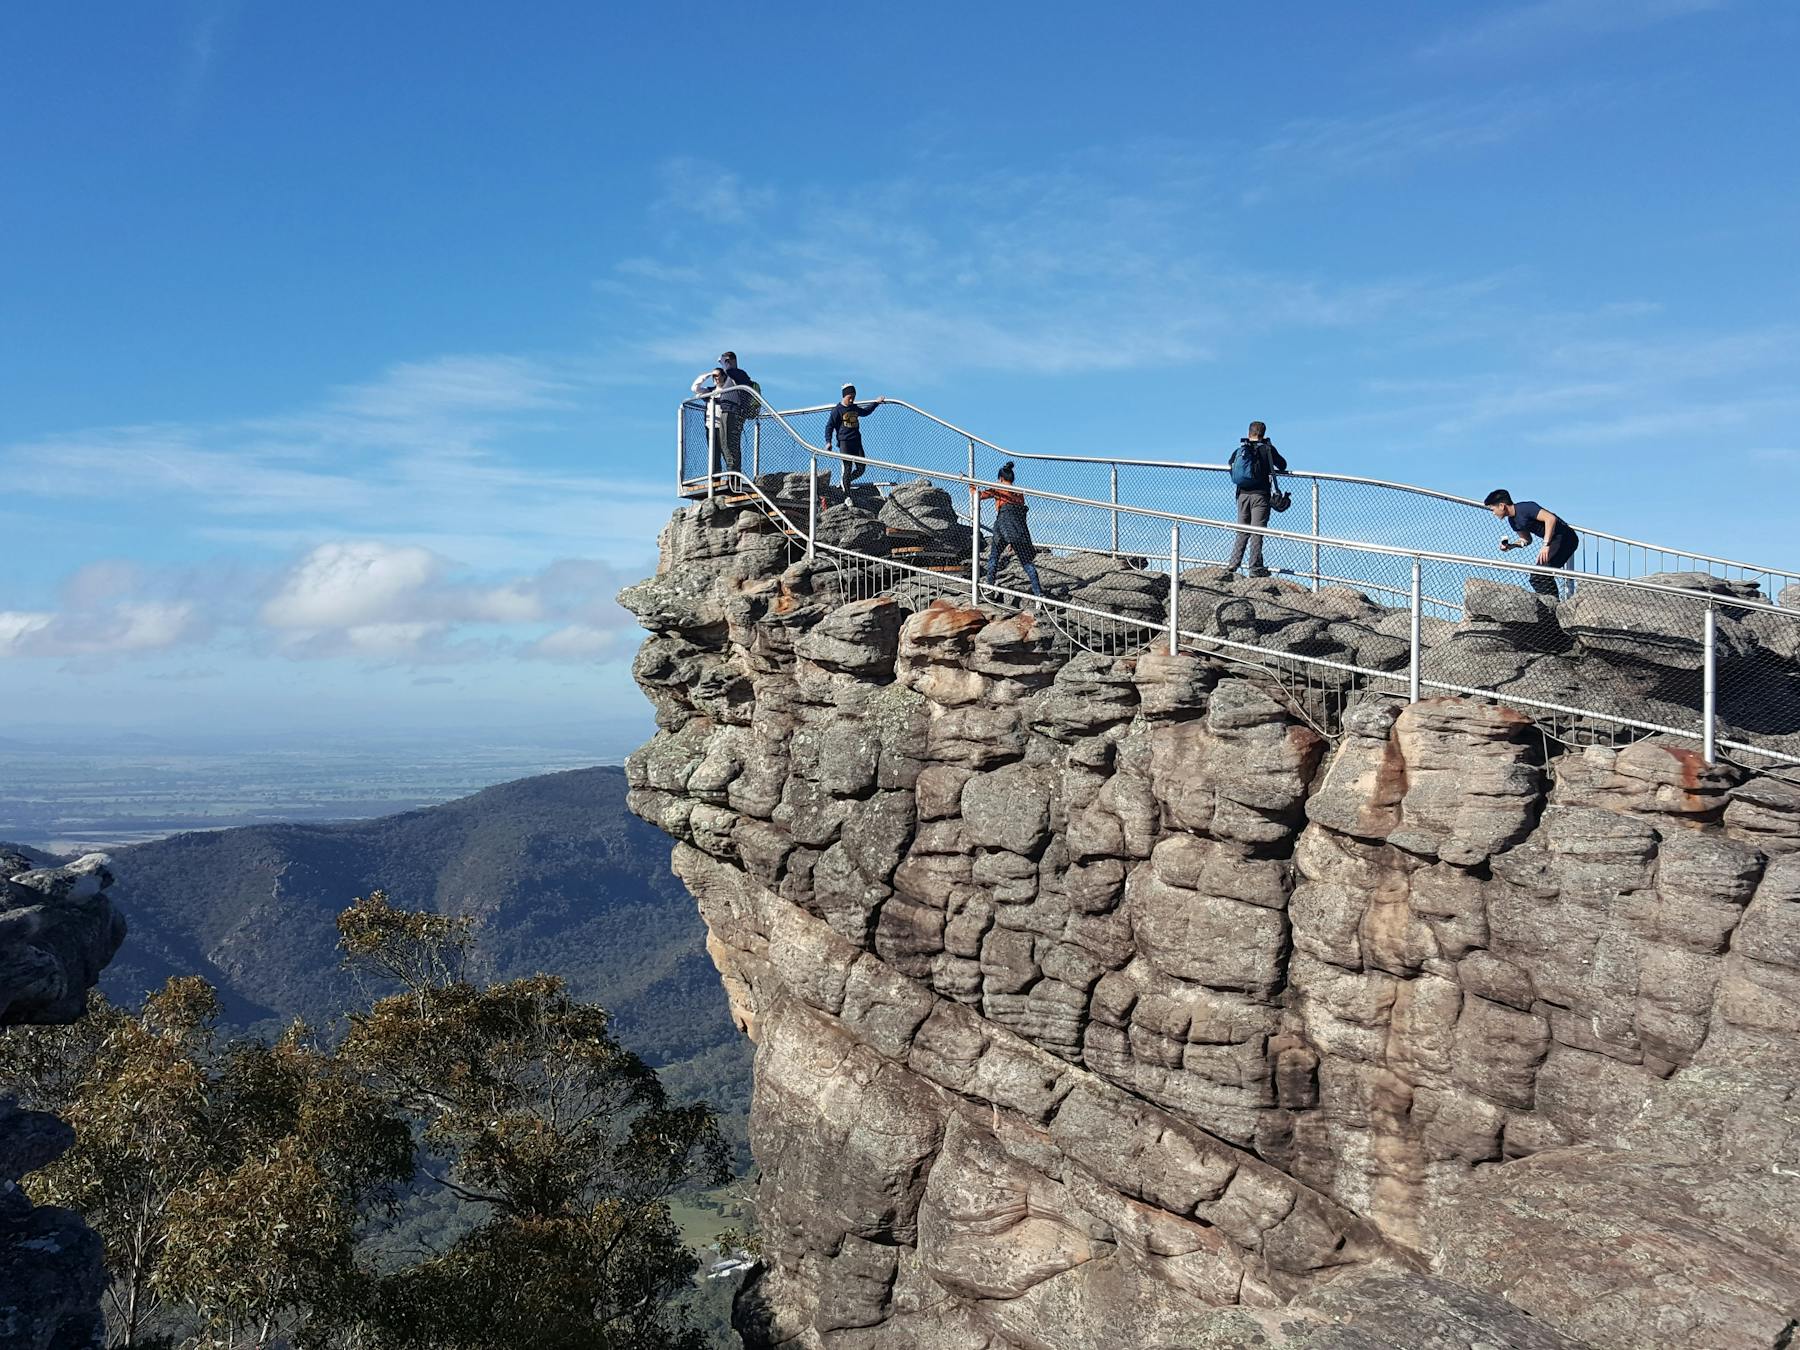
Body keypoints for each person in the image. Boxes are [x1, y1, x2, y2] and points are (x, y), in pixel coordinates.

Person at [1222, 421, 1289, 577]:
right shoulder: (1267, 449)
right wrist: (1270, 447)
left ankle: (1233, 564)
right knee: (1257, 531)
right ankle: (1255, 568)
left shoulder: (1241, 449)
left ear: (1249, 433)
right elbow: (1283, 465)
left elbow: (1230, 464)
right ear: (1263, 434)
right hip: (1260, 495)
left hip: (1242, 495)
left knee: (1242, 530)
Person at [1486, 489, 1581, 598]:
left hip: (1565, 538)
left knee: (1539, 575)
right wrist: (1511, 546)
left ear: (1502, 506)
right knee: (1538, 576)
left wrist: (1546, 545)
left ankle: (1552, 607)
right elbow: (1526, 540)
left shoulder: (1526, 508)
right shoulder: (1513, 521)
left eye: (1492, 509)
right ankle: (1550, 606)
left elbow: (1550, 518)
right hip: (1553, 541)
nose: (1493, 513)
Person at [979, 461, 1044, 598]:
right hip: (1018, 529)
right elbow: (1020, 514)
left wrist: (970, 484)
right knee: (1026, 562)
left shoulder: (997, 487)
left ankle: (989, 587)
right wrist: (1014, 539)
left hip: (1002, 525)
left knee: (994, 558)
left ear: (1001, 478)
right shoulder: (1019, 493)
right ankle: (1039, 593)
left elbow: (979, 496)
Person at [689, 351, 755, 476]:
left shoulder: (738, 374)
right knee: (720, 449)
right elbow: (695, 388)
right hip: (718, 420)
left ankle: (733, 476)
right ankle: (723, 475)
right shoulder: (713, 389)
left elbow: (729, 371)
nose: (716, 378)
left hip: (732, 413)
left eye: (726, 361)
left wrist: (724, 364)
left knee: (729, 446)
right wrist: (710, 374)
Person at [824, 384, 885, 488]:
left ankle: (845, 481)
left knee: (861, 468)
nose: (852, 400)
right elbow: (829, 426)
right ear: (844, 396)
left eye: (853, 397)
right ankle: (847, 496)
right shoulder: (837, 410)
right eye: (850, 398)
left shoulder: (854, 407)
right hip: (845, 442)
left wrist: (876, 403)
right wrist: (828, 441)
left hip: (856, 442)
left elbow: (865, 412)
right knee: (848, 468)